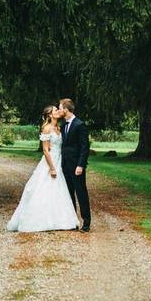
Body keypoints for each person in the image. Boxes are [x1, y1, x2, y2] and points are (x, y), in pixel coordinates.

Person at [6, 105, 79, 232]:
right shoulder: (47, 128)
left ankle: (60, 220)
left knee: (59, 188)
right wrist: (51, 168)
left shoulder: (59, 128)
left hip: (59, 160)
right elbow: (45, 150)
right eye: (55, 110)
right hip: (50, 161)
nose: (58, 111)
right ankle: (39, 220)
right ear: (50, 115)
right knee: (44, 187)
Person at [57, 98, 91, 232]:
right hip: (65, 165)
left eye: (60, 108)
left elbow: (84, 147)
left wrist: (81, 165)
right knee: (69, 194)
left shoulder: (79, 125)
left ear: (66, 109)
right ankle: (72, 221)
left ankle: (86, 222)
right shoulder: (63, 125)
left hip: (76, 166)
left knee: (81, 193)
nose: (59, 110)